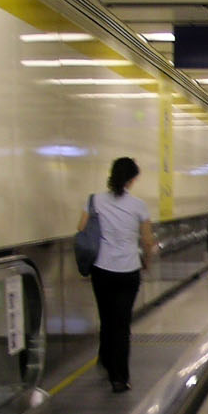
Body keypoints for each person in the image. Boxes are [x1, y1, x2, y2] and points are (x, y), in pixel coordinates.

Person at [79, 156, 154, 393]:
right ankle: (119, 377)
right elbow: (148, 240)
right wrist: (147, 262)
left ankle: (106, 359)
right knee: (121, 324)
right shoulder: (139, 206)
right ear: (131, 180)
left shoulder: (94, 201)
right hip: (128, 270)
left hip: (101, 269)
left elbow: (81, 229)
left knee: (107, 319)